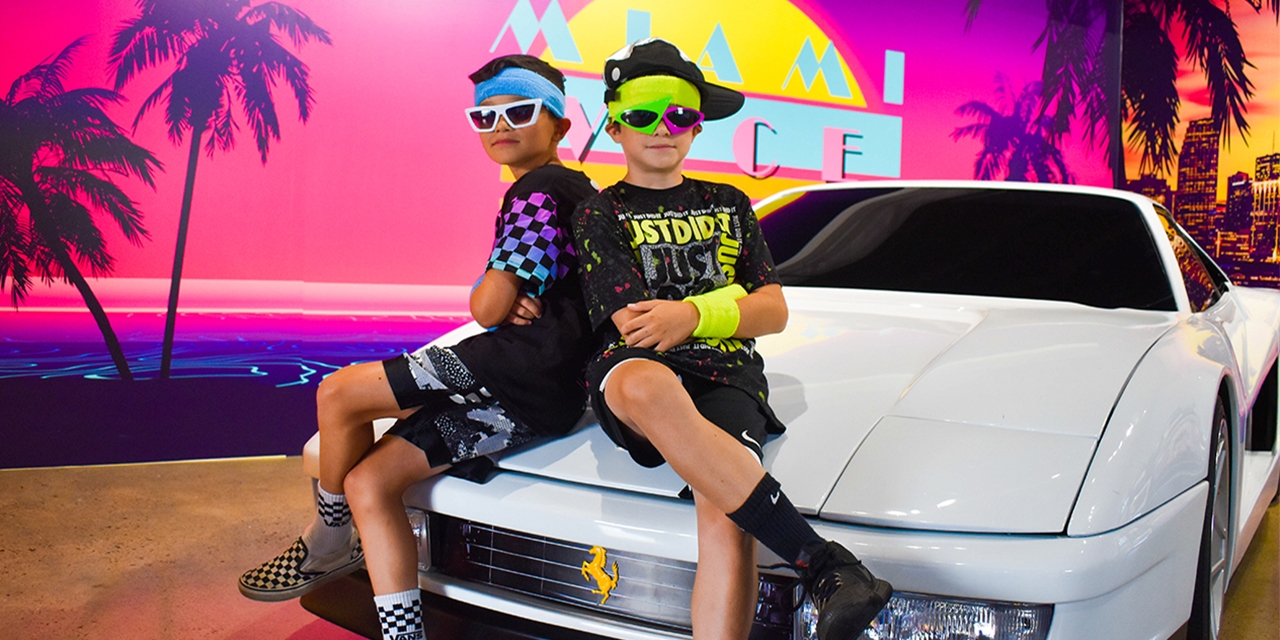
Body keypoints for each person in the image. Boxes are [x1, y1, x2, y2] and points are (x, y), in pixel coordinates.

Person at [238, 54, 598, 640]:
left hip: (514, 368)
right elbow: (514, 292)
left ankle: (327, 539)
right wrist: (499, 294)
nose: (499, 125)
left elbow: (485, 306)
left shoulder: (542, 189)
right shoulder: (575, 190)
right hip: (544, 399)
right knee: (369, 482)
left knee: (338, 392)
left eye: (520, 110)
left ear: (559, 125)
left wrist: (492, 296)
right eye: (485, 116)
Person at [571, 38, 892, 640]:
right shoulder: (598, 213)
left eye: (679, 115)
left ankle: (826, 575)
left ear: (696, 126)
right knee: (642, 382)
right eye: (642, 114)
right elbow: (634, 325)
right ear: (615, 125)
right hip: (638, 366)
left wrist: (690, 316)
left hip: (728, 372)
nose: (660, 128)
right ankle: (823, 563)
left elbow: (771, 310)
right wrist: (724, 307)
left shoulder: (730, 203)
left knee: (724, 512)